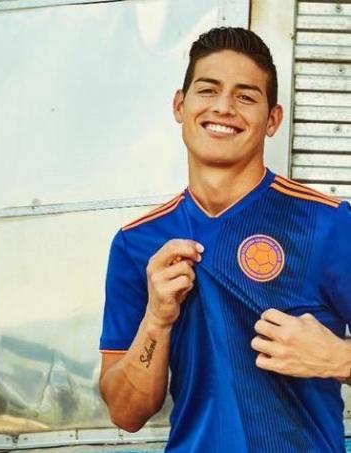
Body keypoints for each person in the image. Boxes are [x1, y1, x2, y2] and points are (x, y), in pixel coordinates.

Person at [98, 27, 351, 452]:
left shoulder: (326, 224)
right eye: (208, 90)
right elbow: (126, 414)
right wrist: (156, 319)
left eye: (245, 96)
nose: (223, 107)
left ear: (273, 120)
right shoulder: (137, 243)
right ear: (180, 106)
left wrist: (339, 359)